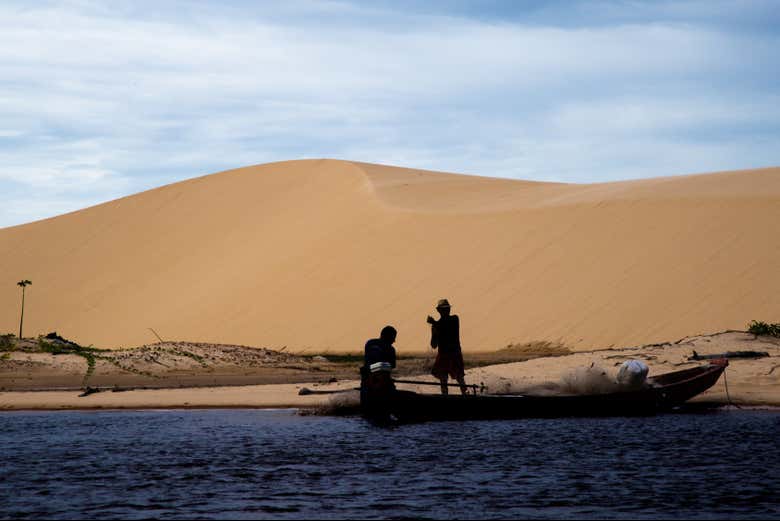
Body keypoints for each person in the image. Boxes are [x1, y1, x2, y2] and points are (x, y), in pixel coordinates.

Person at [427, 299, 467, 395]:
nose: (447, 310)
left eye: (447, 308)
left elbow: (448, 328)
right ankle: (445, 396)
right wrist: (434, 333)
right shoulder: (436, 325)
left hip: (454, 353)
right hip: (443, 354)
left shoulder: (454, 319)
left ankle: (466, 395)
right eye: (444, 309)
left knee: (459, 378)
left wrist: (434, 324)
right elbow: (434, 345)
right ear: (439, 311)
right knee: (443, 379)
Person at [360, 325, 398, 418]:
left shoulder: (370, 343)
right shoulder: (390, 349)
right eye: (393, 337)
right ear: (387, 336)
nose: (394, 341)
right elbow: (392, 366)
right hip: (378, 383)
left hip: (369, 381)